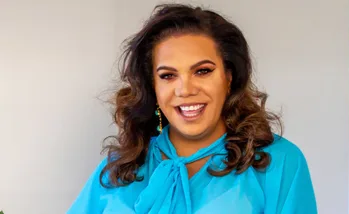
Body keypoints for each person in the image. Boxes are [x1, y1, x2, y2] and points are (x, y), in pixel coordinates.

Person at [67, 3, 317, 214]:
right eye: (167, 75)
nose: (185, 89)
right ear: (152, 86)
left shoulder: (279, 162)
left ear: (229, 77)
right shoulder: (121, 166)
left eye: (203, 71)